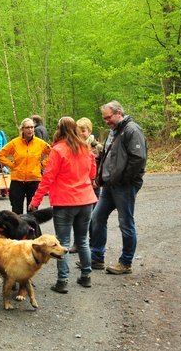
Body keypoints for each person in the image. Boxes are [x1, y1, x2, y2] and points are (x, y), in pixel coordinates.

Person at [28, 117, 97, 293]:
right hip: (86, 200)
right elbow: (92, 173)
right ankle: (86, 277)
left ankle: (62, 281)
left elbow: (48, 177)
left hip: (65, 202)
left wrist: (35, 201)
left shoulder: (58, 150)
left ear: (59, 129)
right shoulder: (85, 147)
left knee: (63, 242)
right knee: (82, 241)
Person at [89, 100, 147, 275]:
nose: (106, 121)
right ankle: (97, 257)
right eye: (104, 118)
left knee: (125, 223)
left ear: (119, 112)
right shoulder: (114, 132)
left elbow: (138, 159)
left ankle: (126, 262)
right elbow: (106, 156)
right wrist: (100, 177)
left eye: (108, 117)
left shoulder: (132, 130)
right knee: (97, 218)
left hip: (124, 186)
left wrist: (122, 179)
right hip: (109, 185)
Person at [0, 118, 51, 214]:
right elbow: (0, 154)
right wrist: (11, 165)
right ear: (22, 129)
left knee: (32, 211)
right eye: (27, 127)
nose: (30, 130)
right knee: (16, 211)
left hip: (34, 180)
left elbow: (53, 154)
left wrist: (42, 165)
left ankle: (32, 229)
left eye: (32, 127)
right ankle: (17, 229)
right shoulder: (15, 143)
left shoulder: (40, 143)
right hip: (18, 180)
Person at [68, 117, 104, 254]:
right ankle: (78, 243)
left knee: (93, 217)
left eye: (83, 131)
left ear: (89, 131)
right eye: (78, 131)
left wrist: (97, 181)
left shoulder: (98, 147)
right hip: (78, 186)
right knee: (77, 217)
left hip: (92, 186)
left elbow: (103, 166)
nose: (81, 134)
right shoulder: (74, 146)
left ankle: (91, 243)